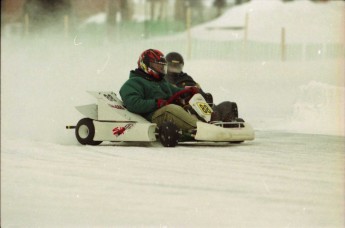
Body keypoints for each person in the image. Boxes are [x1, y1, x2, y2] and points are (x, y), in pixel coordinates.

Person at [119, 49, 199, 131]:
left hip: (167, 111)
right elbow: (133, 104)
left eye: (162, 65)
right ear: (146, 65)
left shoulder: (160, 82)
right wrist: (156, 103)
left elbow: (176, 91)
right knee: (171, 109)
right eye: (158, 65)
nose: (161, 68)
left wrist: (188, 91)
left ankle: (208, 123)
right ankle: (199, 128)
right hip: (150, 117)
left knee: (192, 104)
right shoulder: (133, 82)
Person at [165, 52, 239, 122]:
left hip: (197, 103)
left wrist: (203, 95)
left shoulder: (186, 78)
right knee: (192, 108)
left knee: (228, 105)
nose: (174, 69)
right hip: (182, 108)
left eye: (176, 67)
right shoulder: (163, 79)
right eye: (172, 66)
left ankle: (228, 123)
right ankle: (211, 120)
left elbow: (200, 93)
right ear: (166, 66)